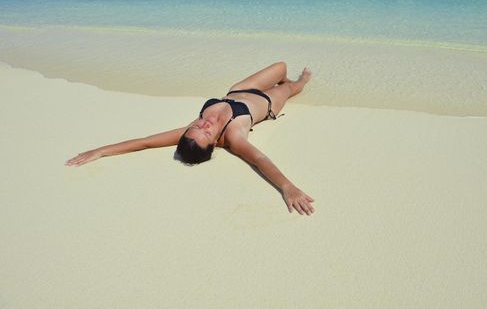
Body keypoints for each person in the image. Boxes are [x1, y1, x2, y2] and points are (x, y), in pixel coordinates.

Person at [66, 62, 315, 215]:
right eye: (207, 131)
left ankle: (285, 78)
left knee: (281, 67)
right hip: (267, 104)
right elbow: (259, 160)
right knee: (292, 87)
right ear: (215, 142)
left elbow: (145, 141)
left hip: (239, 89)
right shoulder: (234, 136)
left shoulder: (190, 132)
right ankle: (300, 81)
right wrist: (287, 187)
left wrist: (99, 151)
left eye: (197, 125)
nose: (204, 123)